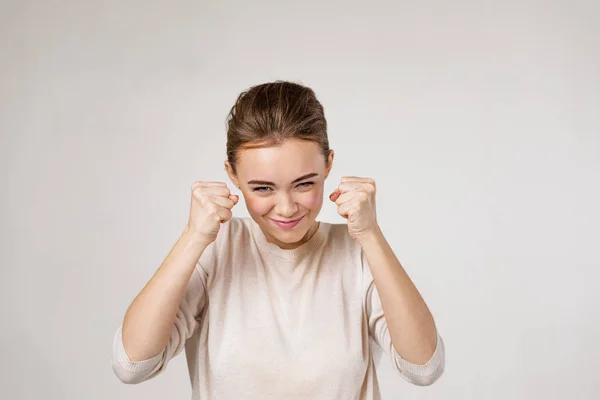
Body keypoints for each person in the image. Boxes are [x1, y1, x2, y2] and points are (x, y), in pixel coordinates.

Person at [111, 81, 445, 399]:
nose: (286, 208)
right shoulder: (216, 248)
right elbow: (132, 365)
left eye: (304, 184)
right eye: (262, 188)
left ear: (328, 165)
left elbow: (423, 368)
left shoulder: (357, 253)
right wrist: (193, 237)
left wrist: (371, 235)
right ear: (232, 175)